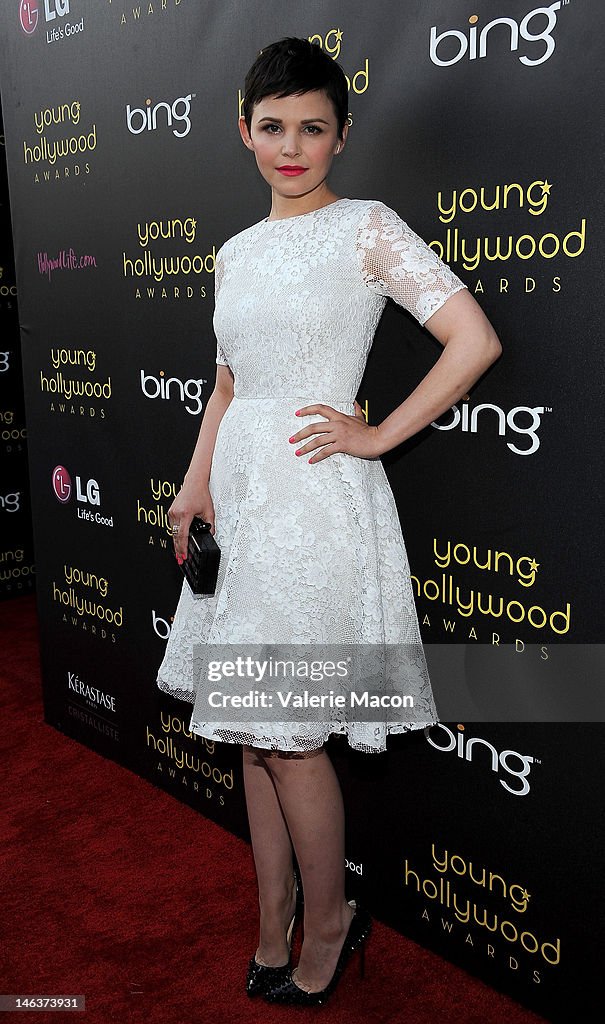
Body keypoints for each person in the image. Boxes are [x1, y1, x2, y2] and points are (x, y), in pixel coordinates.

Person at [156, 37, 501, 1007]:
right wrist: (194, 488)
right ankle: (272, 918)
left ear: (341, 137)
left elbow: (470, 338)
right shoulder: (233, 251)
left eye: (312, 127)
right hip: (244, 497)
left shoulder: (367, 228)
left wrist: (380, 430)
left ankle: (332, 917)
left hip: (313, 504)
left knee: (293, 737)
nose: (291, 145)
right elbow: (226, 386)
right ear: (244, 132)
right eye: (273, 127)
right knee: (252, 736)